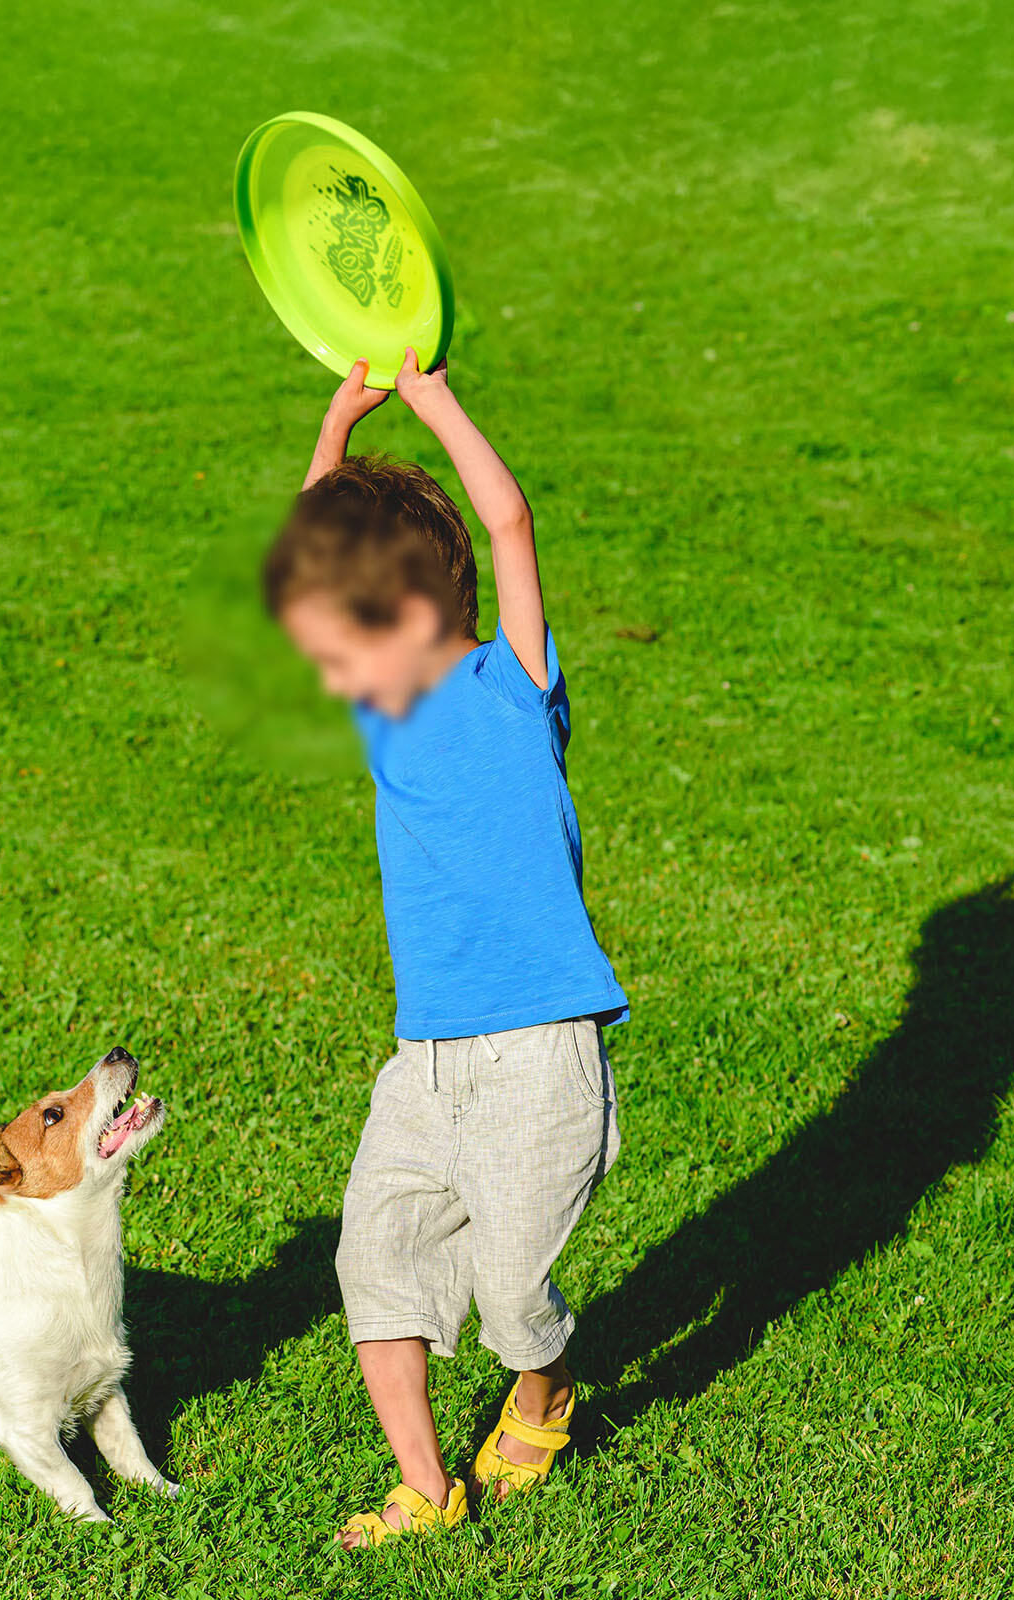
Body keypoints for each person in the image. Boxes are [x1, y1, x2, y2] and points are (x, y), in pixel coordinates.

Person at [262, 350, 628, 1548]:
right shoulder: (384, 711)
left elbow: (509, 521)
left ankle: (543, 1390)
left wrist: (430, 401)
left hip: (538, 1054)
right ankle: (424, 1483)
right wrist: (335, 422)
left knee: (513, 1288)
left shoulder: (512, 685)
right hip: (422, 1061)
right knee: (374, 1261)